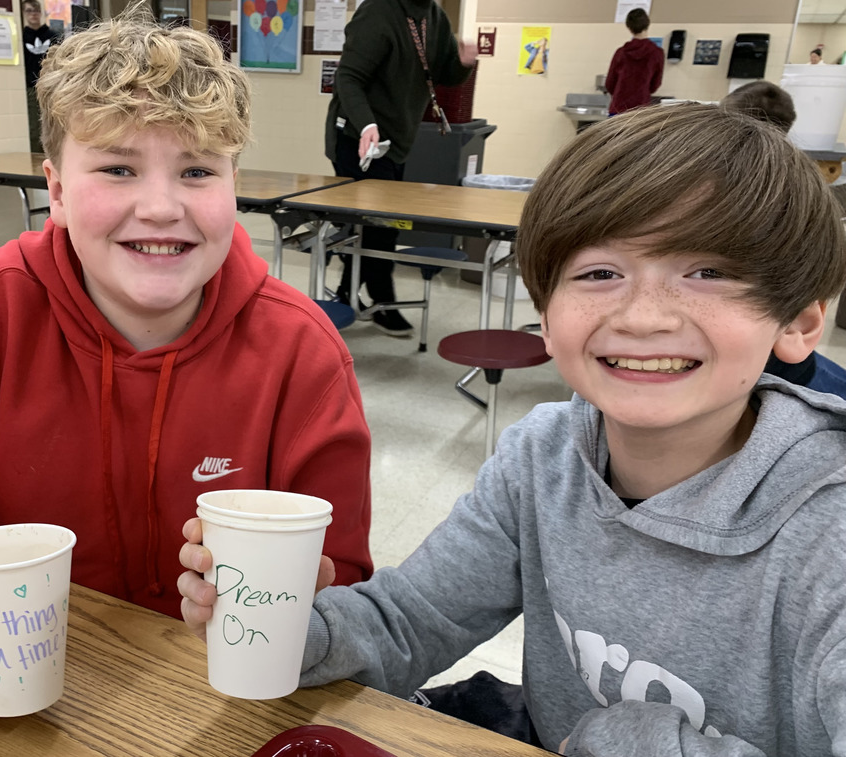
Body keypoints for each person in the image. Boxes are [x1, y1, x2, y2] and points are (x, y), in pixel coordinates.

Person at [179, 104, 846, 755]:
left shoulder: (828, 535)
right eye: (601, 273)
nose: (645, 317)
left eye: (708, 272)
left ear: (799, 321)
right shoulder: (543, 457)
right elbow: (412, 620)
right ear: (547, 319)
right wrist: (286, 629)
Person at [0, 7, 373, 727]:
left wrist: (315, 594)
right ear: (54, 189)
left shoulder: (301, 352)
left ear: (235, 184)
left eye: (197, 170)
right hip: (1, 705)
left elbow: (345, 577)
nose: (160, 206)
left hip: (218, 707)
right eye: (117, 167)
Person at [324, 0, 477, 337]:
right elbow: (348, 77)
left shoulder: (433, 16)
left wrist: (465, 62)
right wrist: (366, 124)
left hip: (394, 140)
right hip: (358, 139)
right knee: (379, 226)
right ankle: (383, 301)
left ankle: (347, 294)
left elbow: (443, 73)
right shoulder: (378, 11)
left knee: (376, 225)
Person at [722, 80, 846, 400]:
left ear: (725, 116)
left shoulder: (708, 195)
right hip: (797, 363)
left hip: (760, 369)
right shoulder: (811, 196)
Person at [605, 8, 664, 116]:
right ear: (647, 25)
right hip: (640, 111)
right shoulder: (657, 53)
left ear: (629, 27)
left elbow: (609, 83)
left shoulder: (621, 53)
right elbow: (655, 84)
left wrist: (621, 93)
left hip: (618, 108)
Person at [22, 0, 59, 152]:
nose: (33, 14)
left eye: (36, 11)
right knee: (34, 128)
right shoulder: (22, 37)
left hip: (51, 87)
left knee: (53, 124)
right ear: (24, 13)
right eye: (29, 11)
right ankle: (36, 158)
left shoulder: (52, 36)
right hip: (31, 88)